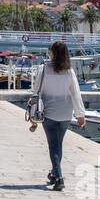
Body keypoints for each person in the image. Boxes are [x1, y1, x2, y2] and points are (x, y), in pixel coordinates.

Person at [33, 42, 86, 191]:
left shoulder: (43, 69)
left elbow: (36, 90)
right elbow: (76, 93)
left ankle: (59, 178)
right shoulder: (69, 71)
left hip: (48, 112)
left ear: (53, 53)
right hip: (65, 113)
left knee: (53, 146)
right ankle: (54, 174)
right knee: (58, 145)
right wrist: (80, 114)